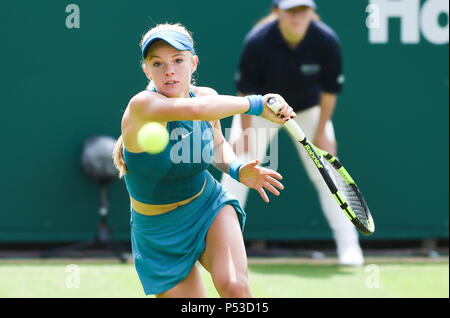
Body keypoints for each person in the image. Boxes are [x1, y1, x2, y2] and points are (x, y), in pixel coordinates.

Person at [112, 23, 296, 298]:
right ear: (146, 70)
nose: (169, 71)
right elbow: (196, 110)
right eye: (157, 63)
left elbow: (216, 145)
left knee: (235, 287)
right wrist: (257, 104)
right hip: (159, 232)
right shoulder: (142, 106)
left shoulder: (208, 97)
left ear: (193, 63)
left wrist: (236, 169)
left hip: (208, 205)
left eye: (178, 60)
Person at [220, 0, 364, 266]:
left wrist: (322, 131)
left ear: (311, 12)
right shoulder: (258, 41)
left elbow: (330, 91)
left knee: (327, 174)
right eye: (290, 11)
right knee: (236, 170)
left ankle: (349, 247)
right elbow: (245, 92)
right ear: (277, 13)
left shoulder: (326, 41)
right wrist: (247, 133)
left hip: (308, 111)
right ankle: (224, 249)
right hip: (262, 110)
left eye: (302, 10)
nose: (297, 17)